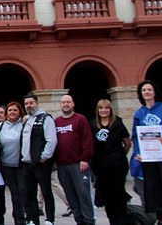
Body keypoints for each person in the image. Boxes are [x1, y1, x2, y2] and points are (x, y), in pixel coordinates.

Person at [132, 80, 162, 225]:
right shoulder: (139, 113)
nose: (146, 92)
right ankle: (160, 218)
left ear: (154, 92)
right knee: (154, 188)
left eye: (149, 89)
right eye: (143, 90)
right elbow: (135, 136)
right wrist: (138, 153)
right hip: (149, 156)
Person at [54, 95, 95, 225]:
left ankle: (89, 220)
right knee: (70, 196)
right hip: (62, 165)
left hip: (78, 164)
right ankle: (79, 221)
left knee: (83, 195)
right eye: (63, 102)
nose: (65, 104)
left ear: (73, 104)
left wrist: (85, 159)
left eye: (68, 102)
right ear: (60, 105)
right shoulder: (57, 122)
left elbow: (87, 140)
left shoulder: (80, 119)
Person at [91, 99, 132, 225]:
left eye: (106, 108)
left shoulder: (118, 123)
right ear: (98, 110)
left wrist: (119, 154)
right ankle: (112, 220)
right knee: (107, 196)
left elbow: (127, 143)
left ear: (111, 109)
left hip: (117, 165)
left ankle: (121, 220)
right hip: (101, 166)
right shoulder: (93, 124)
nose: (104, 110)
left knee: (118, 194)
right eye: (101, 108)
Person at [20, 94, 57, 225]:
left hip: (40, 163)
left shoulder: (46, 118)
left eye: (31, 103)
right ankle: (33, 219)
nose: (29, 106)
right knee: (29, 193)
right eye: (26, 103)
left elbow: (51, 140)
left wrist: (44, 157)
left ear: (37, 103)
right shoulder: (26, 120)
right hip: (27, 163)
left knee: (46, 192)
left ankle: (49, 219)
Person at [0, 102, 26, 225]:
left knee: (18, 192)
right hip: (4, 164)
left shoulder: (24, 124)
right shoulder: (1, 126)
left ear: (19, 111)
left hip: (19, 164)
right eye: (10, 110)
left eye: (15, 110)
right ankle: (0, 217)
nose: (12, 112)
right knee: (1, 192)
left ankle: (19, 217)